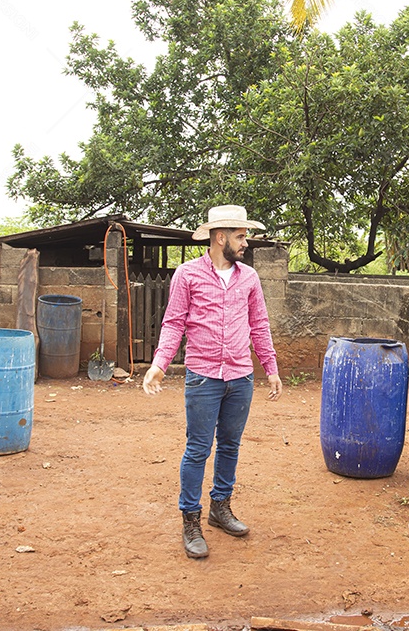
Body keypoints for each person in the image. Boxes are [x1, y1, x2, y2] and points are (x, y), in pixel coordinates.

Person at [142, 204, 282, 559]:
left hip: (240, 377)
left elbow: (259, 325)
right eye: (241, 236)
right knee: (198, 449)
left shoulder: (249, 278)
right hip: (203, 376)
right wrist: (160, 363)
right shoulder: (187, 275)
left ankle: (221, 507)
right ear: (220, 238)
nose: (246, 243)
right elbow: (174, 323)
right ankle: (191, 521)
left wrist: (271, 367)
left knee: (231, 445)